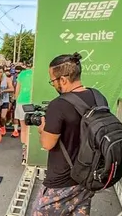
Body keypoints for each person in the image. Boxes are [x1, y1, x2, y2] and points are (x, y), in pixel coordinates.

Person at [34, 53, 103, 215]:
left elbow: (47, 143)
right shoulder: (98, 97)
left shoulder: (58, 105)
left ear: (63, 80)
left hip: (62, 180)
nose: (53, 85)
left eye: (52, 81)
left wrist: (42, 129)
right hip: (88, 176)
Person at [14, 64, 33, 164]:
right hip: (32, 102)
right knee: (32, 129)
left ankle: (25, 152)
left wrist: (17, 102)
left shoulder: (22, 74)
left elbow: (17, 90)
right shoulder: (39, 74)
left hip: (21, 102)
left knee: (24, 129)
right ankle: (30, 151)